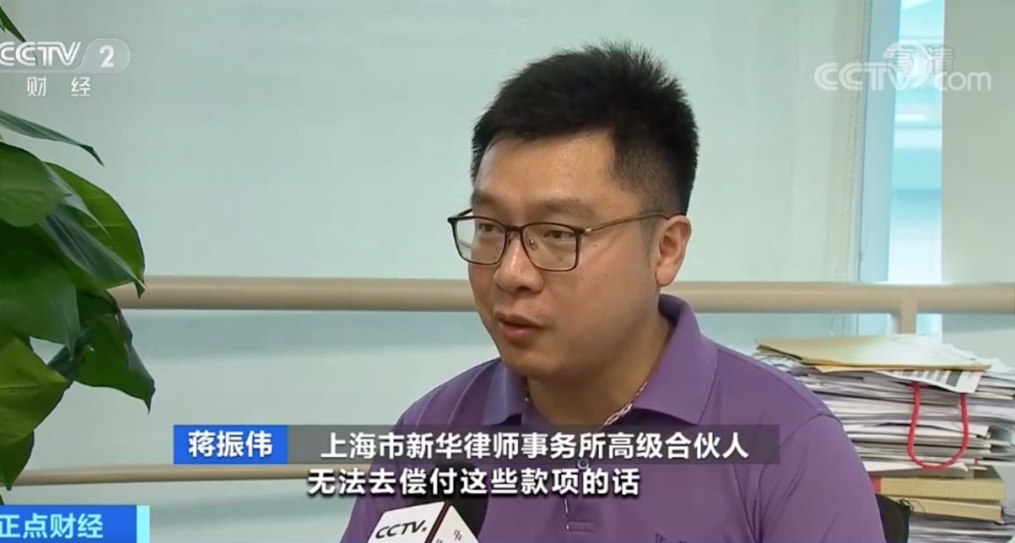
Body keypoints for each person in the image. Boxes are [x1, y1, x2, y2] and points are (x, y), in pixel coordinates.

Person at [340, 42, 884, 543]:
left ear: (665, 249)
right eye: (488, 226)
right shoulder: (430, 436)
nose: (510, 272)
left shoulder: (789, 446)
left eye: (558, 234)